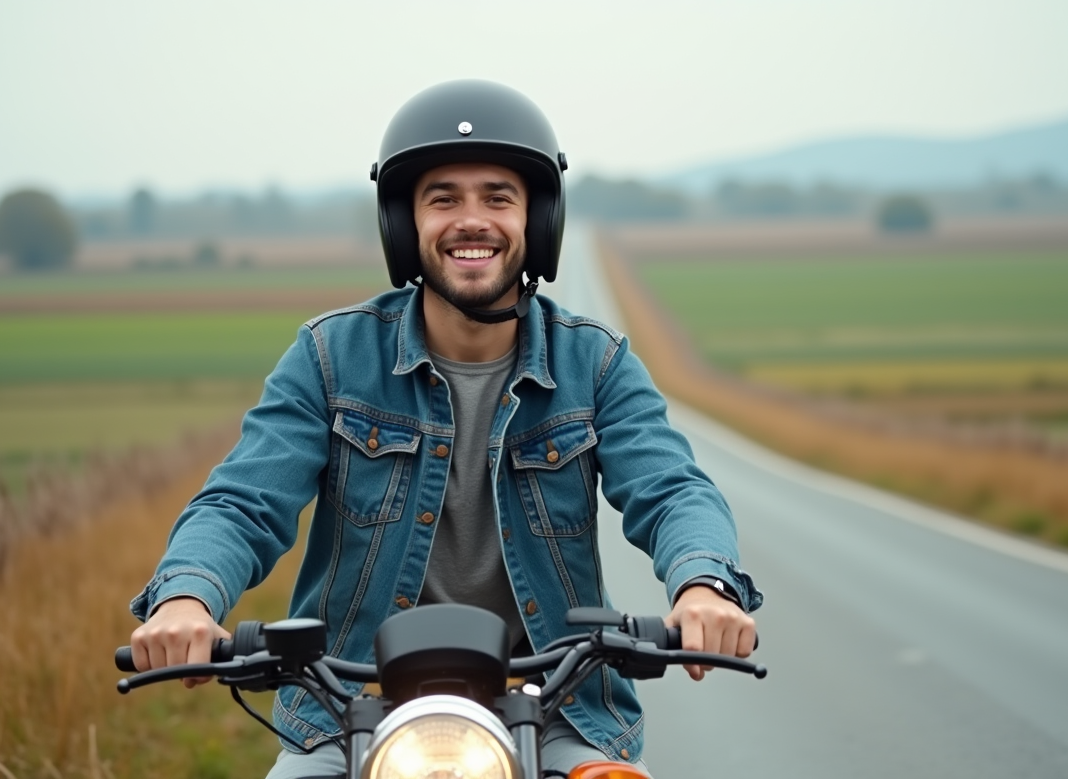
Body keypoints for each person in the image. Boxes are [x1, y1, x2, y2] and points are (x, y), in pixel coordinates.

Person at [128, 79, 762, 777]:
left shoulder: (597, 363)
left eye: (498, 198)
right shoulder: (330, 358)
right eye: (444, 199)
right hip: (352, 707)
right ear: (404, 225)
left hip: (557, 708)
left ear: (538, 220)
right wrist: (186, 597)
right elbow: (244, 499)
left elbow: (672, 489)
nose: (472, 220)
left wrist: (703, 586)